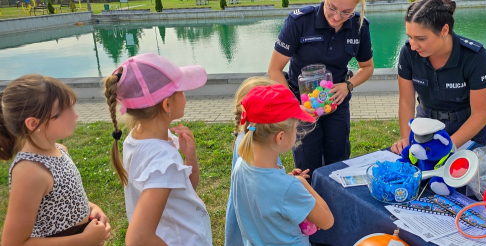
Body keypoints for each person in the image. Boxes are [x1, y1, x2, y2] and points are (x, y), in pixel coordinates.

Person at [268, 0, 374, 182]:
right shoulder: (299, 22)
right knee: (308, 164)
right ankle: (311, 211)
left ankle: (335, 209)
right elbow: (274, 70)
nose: (337, 17)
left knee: (338, 162)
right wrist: (293, 105)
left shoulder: (359, 26)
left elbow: (367, 67)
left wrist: (348, 86)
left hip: (336, 104)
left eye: (346, 12)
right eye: (332, 8)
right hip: (302, 105)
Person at [103, 53, 212, 245]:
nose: (185, 95)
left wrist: (190, 158)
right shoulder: (163, 161)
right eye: (181, 91)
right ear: (167, 104)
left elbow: (187, 188)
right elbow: (138, 238)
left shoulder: (137, 138)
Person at [1, 75, 111, 246]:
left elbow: (62, 200)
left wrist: (92, 209)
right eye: (64, 112)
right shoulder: (30, 171)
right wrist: (84, 240)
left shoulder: (60, 150)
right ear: (33, 124)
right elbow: (14, 243)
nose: (75, 115)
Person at [231, 84, 334, 245]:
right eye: (295, 127)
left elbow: (264, 192)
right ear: (280, 137)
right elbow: (327, 221)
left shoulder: (240, 166)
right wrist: (300, 183)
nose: (297, 131)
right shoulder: (290, 188)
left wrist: (286, 181)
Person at [391, 0, 486, 155]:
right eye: (410, 37)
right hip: (426, 125)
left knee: (468, 177)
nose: (413, 45)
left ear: (444, 31)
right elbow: (406, 101)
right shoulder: (408, 53)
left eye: (421, 38)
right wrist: (406, 139)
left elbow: (481, 114)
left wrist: (447, 147)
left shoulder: (475, 57)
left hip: (469, 131)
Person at [225, 76, 310, 246]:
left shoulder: (254, 143)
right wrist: (298, 183)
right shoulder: (255, 146)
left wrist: (283, 178)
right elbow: (327, 221)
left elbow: (259, 179)